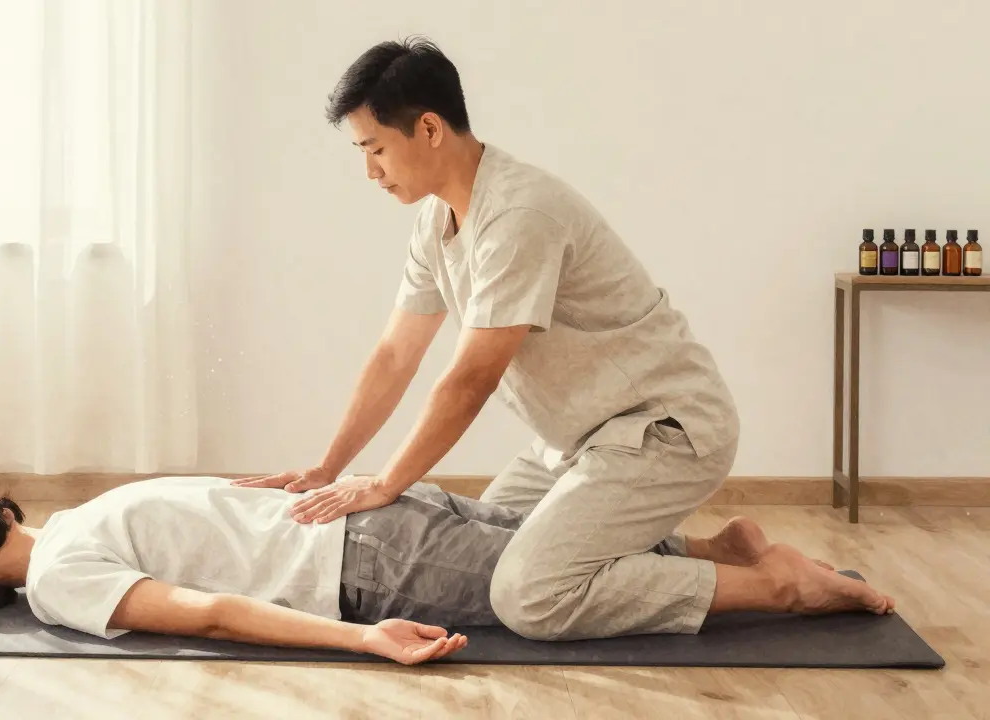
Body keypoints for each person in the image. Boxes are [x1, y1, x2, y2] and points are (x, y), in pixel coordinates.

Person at [232, 36, 895, 641]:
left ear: (429, 128)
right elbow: (394, 355)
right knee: (481, 558)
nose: (371, 172)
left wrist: (383, 483)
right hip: (578, 439)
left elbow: (469, 380)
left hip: (664, 430)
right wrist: (326, 468)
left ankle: (777, 585)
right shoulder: (437, 221)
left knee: (527, 594)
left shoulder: (519, 213)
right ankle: (719, 553)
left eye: (375, 149)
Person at [0, 476, 518, 665]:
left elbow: (211, 616)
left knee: (566, 587)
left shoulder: (56, 577)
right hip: (387, 507)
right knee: (570, 534)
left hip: (378, 562)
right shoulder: (91, 510)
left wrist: (365, 638)